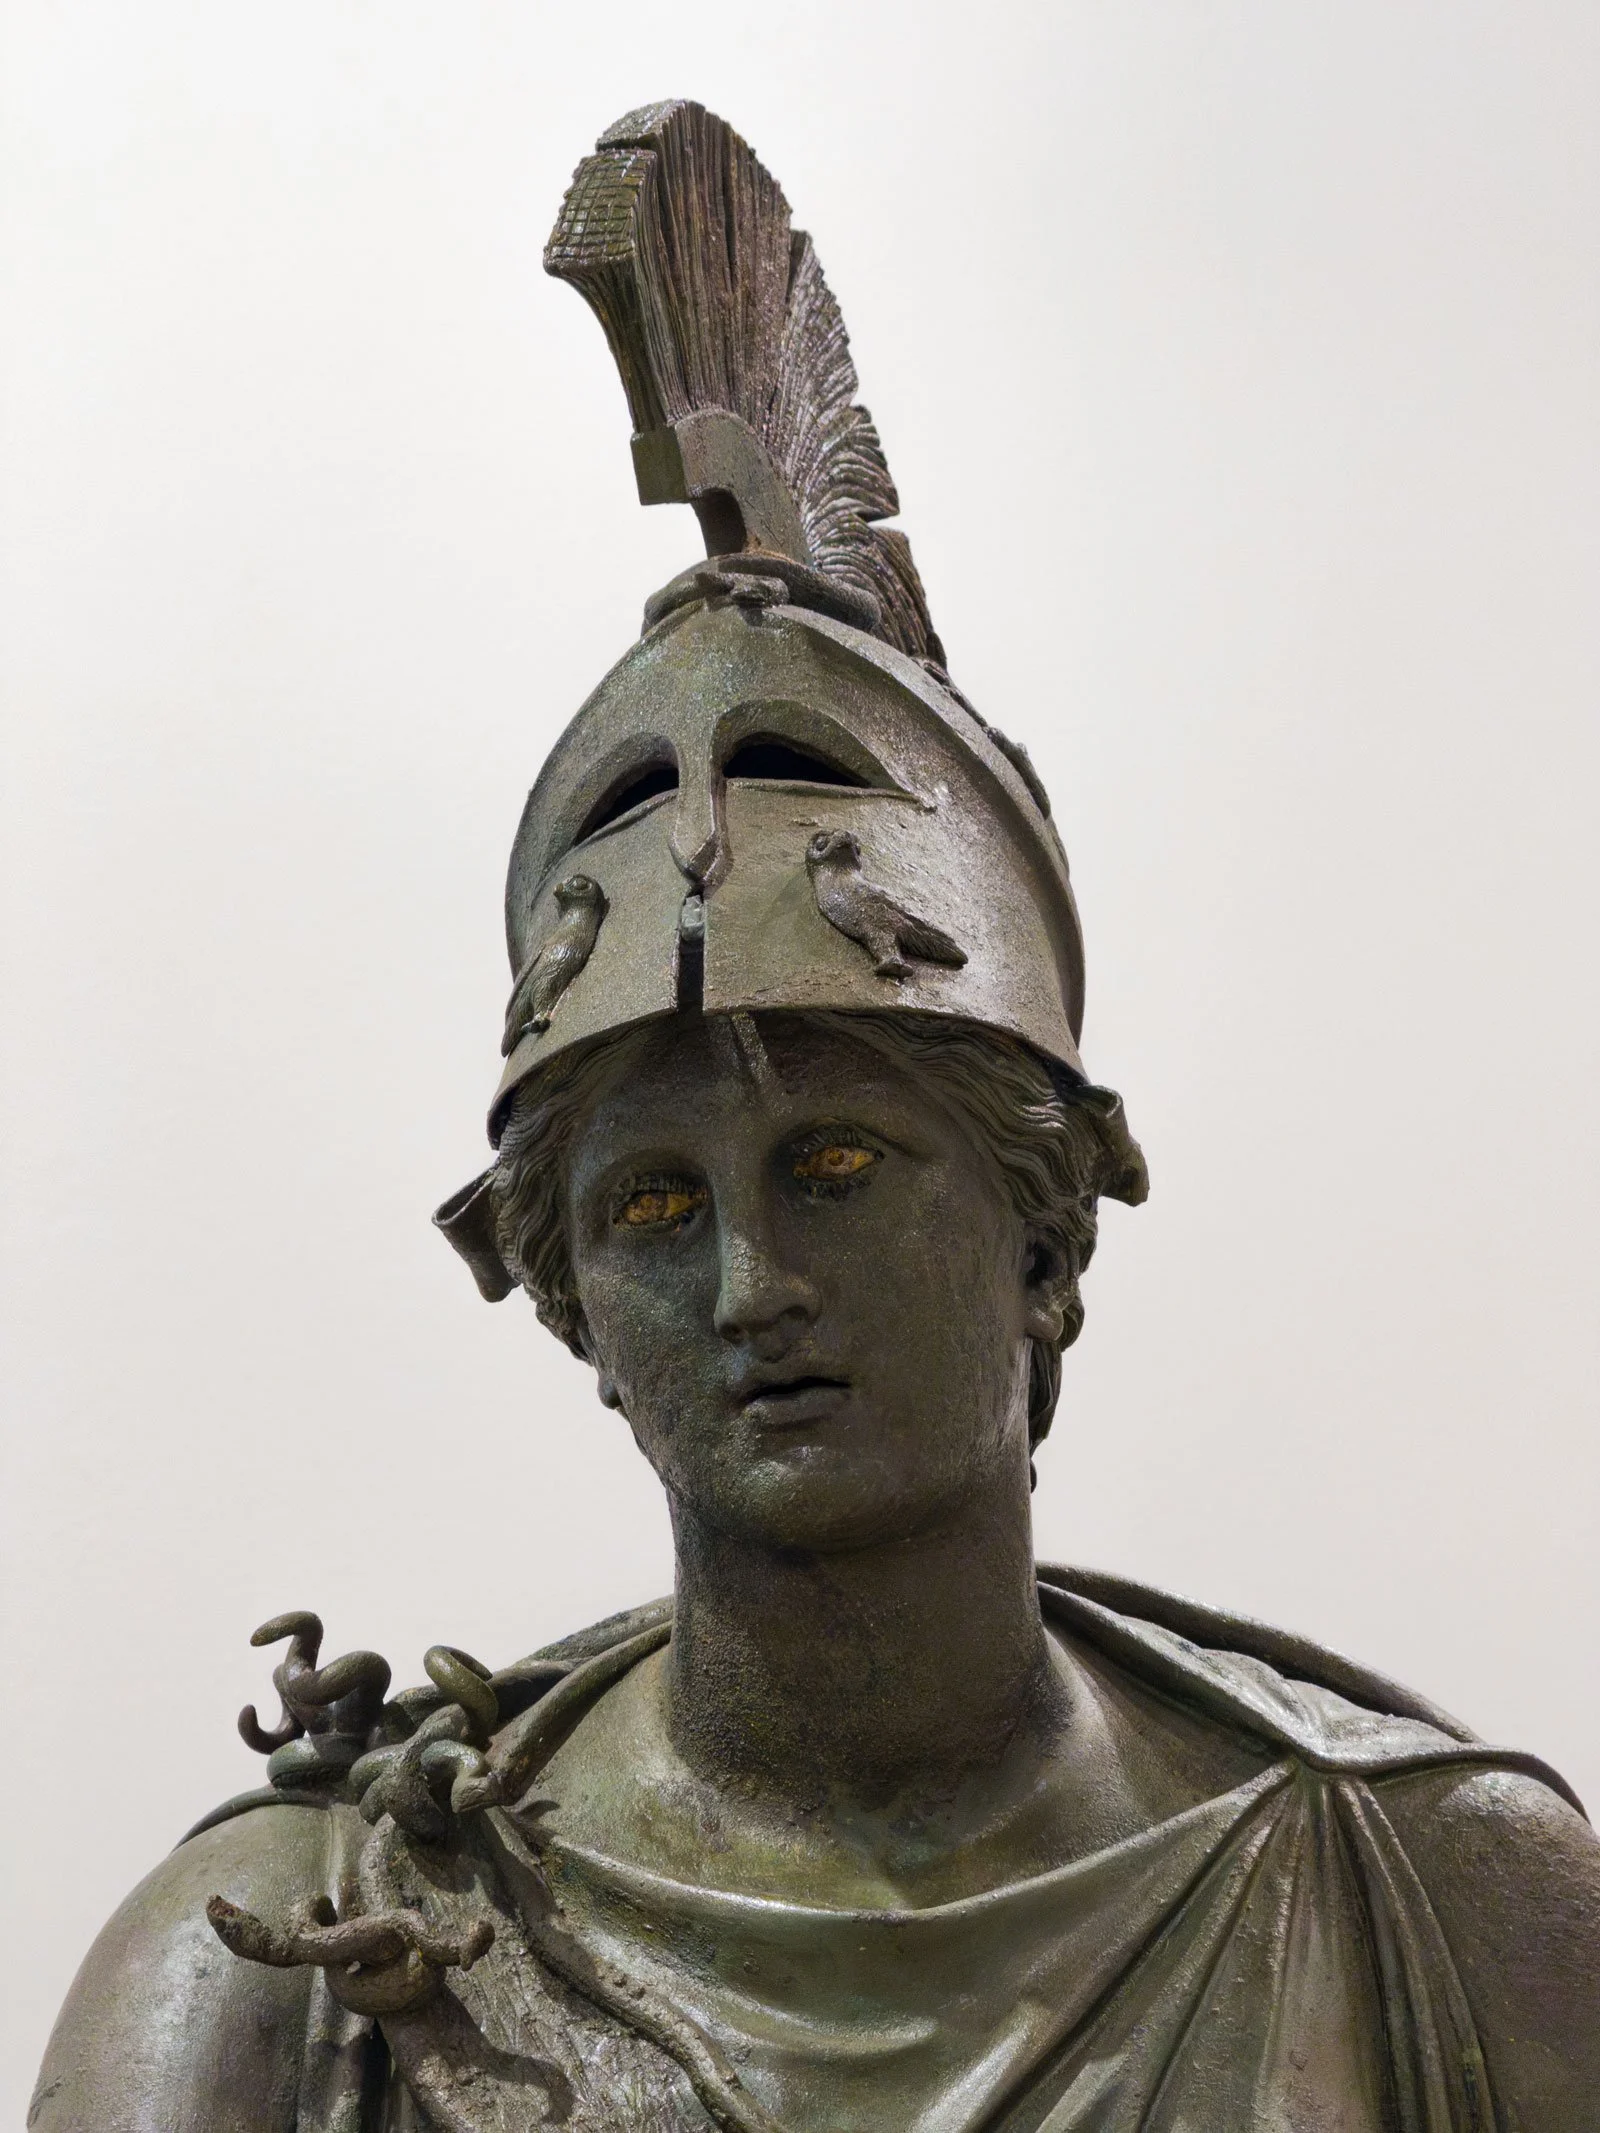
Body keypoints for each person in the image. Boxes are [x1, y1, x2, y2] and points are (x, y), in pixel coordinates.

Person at [32, 100, 1600, 2133]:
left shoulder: (1436, 1899)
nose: (755, 1282)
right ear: (569, 1300)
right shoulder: (278, 1968)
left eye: (839, 1166)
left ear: (1043, 1228)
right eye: (655, 1206)